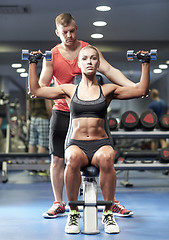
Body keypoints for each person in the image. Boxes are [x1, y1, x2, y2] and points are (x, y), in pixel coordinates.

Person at [28, 45, 150, 233]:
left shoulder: (108, 90)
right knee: (72, 159)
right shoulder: (68, 89)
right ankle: (74, 213)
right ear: (79, 63)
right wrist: (32, 63)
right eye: (85, 59)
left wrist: (145, 63)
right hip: (76, 143)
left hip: (101, 143)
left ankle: (108, 213)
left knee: (107, 158)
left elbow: (141, 90)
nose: (89, 62)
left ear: (98, 62)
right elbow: (36, 90)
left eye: (93, 58)